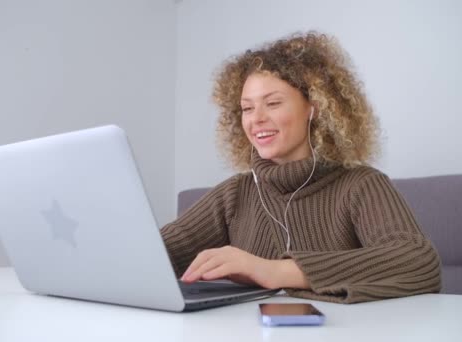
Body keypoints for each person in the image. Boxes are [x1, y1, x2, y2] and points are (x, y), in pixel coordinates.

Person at [161, 32, 441, 304]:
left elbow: (417, 261)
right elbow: (155, 253)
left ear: (314, 107)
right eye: (247, 108)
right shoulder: (235, 193)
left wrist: (273, 271)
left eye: (272, 103)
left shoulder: (362, 184)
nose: (256, 119)